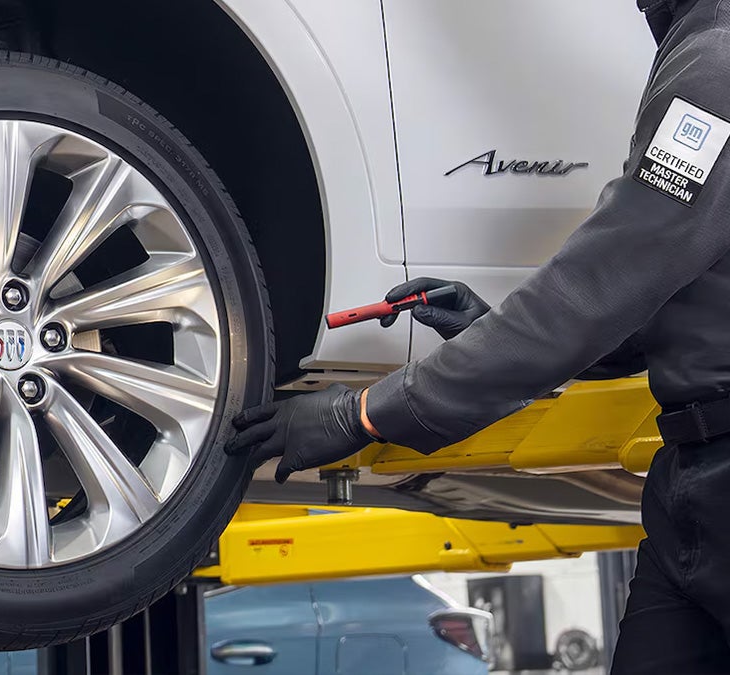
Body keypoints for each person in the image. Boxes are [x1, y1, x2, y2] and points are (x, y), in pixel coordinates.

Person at [225, 1, 730, 672]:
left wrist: (369, 412)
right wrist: (488, 326)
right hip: (689, 485)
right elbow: (655, 306)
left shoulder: (717, 62)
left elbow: (605, 280)